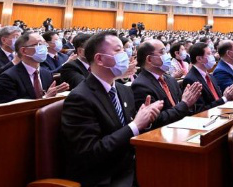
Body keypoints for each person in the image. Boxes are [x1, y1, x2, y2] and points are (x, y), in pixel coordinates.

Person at [61, 30, 163, 187]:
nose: (125, 55)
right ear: (99, 59)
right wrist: (135, 125)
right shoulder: (79, 98)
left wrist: (146, 121)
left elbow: (129, 130)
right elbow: (90, 153)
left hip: (131, 165)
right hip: (105, 176)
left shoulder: (124, 90)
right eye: (118, 50)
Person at [131, 39, 202, 127]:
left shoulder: (170, 79)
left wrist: (190, 103)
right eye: (162, 52)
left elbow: (182, 106)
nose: (167, 56)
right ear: (149, 59)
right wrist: (185, 104)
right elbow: (157, 120)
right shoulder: (140, 85)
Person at [0, 31, 68, 104]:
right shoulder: (7, 78)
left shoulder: (46, 74)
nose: (44, 47)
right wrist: (44, 99)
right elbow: (9, 109)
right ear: (24, 51)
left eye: (44, 44)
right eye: (39, 44)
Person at [182, 42, 233, 112]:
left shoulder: (209, 76)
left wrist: (227, 94)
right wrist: (224, 98)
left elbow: (217, 98)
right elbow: (200, 109)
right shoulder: (191, 79)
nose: (212, 56)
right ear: (199, 59)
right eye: (209, 54)